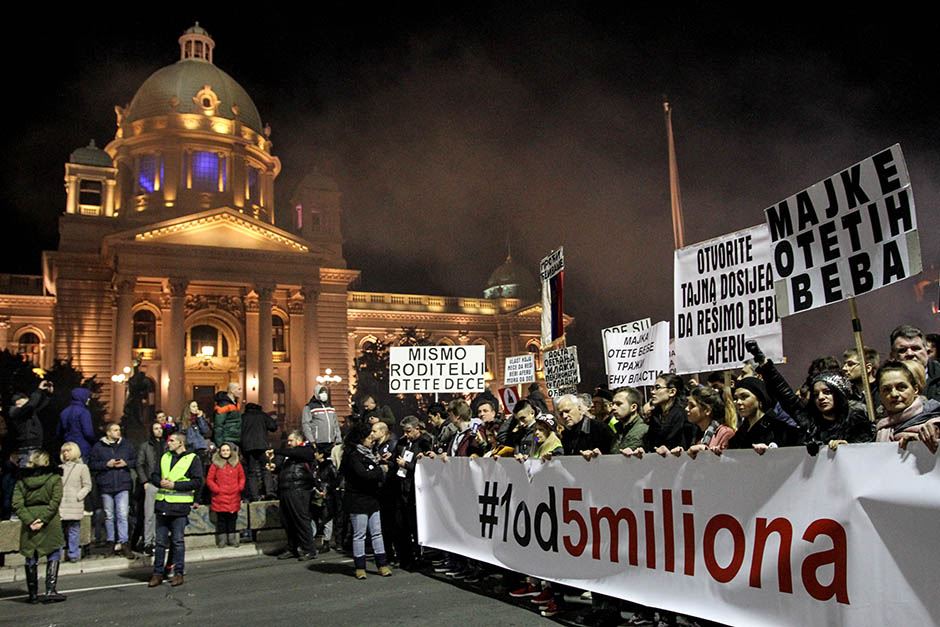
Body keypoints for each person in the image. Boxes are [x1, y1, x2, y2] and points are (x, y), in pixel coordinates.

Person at [750, 341, 875, 450]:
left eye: (827, 392)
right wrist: (763, 363)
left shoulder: (856, 417)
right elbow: (786, 396)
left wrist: (849, 447)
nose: (821, 397)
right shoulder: (811, 421)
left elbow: (868, 452)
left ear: (838, 394)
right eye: (816, 394)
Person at [148, 433, 202, 587]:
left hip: (179, 505)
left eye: (172, 440)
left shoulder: (192, 458)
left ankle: (178, 572)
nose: (168, 442)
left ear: (180, 443)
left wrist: (175, 486)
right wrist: (160, 482)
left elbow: (197, 481)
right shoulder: (165, 457)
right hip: (163, 504)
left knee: (178, 541)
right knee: (159, 542)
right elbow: (155, 475)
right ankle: (157, 573)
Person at [13, 450, 66, 604]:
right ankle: (50, 590)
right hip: (49, 520)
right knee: (54, 552)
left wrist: (30, 521)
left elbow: (17, 503)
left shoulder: (22, 479)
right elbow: (55, 501)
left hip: (29, 517)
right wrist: (43, 519)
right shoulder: (55, 478)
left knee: (31, 554)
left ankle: (33, 594)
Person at [342, 421, 391, 579]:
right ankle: (360, 567)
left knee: (377, 533)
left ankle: (382, 564)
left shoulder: (369, 453)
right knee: (360, 534)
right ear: (360, 438)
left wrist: (376, 468)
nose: (372, 439)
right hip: (358, 499)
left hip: (371, 497)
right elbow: (364, 475)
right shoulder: (353, 455)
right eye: (369, 437)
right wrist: (379, 470)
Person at [266, 430, 318, 561]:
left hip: (299, 489)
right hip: (285, 489)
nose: (288, 444)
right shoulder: (288, 456)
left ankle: (309, 549)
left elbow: (296, 453)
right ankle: (292, 547)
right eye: (288, 441)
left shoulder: (306, 450)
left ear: (299, 440)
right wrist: (275, 468)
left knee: (301, 519)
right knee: (287, 520)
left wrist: (276, 451)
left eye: (291, 441)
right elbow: (286, 467)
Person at [88, 422, 136, 557]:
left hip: (122, 484)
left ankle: (124, 542)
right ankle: (111, 542)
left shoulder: (126, 445)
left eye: (119, 430)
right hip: (106, 484)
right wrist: (106, 464)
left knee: (122, 514)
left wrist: (126, 463)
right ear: (108, 432)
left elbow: (135, 460)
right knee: (109, 515)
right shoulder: (98, 447)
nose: (118, 432)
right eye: (115, 430)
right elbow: (92, 464)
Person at [393, 416, 433, 570]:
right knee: (403, 524)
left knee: (416, 525)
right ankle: (406, 556)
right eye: (404, 431)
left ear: (417, 429)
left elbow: (427, 467)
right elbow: (396, 459)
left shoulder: (424, 442)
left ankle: (420, 556)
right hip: (402, 487)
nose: (406, 434)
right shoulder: (402, 443)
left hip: (416, 489)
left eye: (409, 431)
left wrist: (407, 465)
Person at [875, 360, 940, 451]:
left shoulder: (934, 422)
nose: (894, 394)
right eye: (886, 389)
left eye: (901, 387)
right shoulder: (877, 428)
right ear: (880, 395)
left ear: (915, 389)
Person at [206, 442, 245, 547]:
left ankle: (232, 539)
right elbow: (209, 479)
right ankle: (222, 539)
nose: (225, 452)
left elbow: (242, 477)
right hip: (220, 497)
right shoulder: (215, 464)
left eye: (227, 450)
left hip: (234, 496)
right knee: (221, 520)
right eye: (223, 450)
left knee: (232, 519)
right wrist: (216, 489)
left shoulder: (236, 464)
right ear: (219, 452)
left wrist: (239, 487)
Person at [680, 386, 736, 458]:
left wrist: (706, 451)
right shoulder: (694, 433)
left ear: (707, 410)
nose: (686, 409)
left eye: (692, 406)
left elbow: (729, 463)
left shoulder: (725, 433)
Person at [59, 442, 92, 563]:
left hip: (74, 503)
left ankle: (73, 554)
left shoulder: (82, 468)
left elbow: (87, 485)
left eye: (68, 450)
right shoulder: (59, 468)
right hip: (61, 503)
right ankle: (59, 554)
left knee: (74, 529)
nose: (65, 453)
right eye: (64, 451)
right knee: (60, 530)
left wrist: (79, 496)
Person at [889, 324, 940, 402]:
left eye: (916, 348)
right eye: (902, 350)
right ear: (892, 356)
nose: (910, 354)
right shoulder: (885, 382)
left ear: (927, 351)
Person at [555, 394, 613, 460]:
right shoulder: (565, 435)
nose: (564, 416)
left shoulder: (600, 429)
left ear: (579, 409)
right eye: (561, 414)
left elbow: (614, 456)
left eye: (567, 411)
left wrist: (599, 456)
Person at [9, 380, 54, 466]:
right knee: (26, 469)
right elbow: (32, 405)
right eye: (25, 403)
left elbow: (40, 406)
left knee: (36, 468)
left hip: (35, 444)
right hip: (26, 446)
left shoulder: (27, 412)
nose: (28, 405)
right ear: (17, 403)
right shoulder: (16, 412)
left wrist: (48, 395)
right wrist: (39, 390)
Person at [135, 421, 164, 554]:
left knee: (162, 515)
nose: (158, 430)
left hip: (164, 484)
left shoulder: (166, 445)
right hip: (151, 483)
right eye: (156, 428)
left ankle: (160, 541)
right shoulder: (145, 446)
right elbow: (139, 464)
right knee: (149, 515)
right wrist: (145, 481)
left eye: (160, 428)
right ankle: (148, 543)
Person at [240, 402, 277, 501]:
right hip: (262, 445)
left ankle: (254, 495)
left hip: (248, 447)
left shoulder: (243, 417)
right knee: (266, 469)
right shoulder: (262, 415)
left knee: (251, 472)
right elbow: (273, 427)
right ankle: (270, 492)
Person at [57, 387, 96, 462]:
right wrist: (94, 442)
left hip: (67, 446)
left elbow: (59, 432)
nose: (89, 399)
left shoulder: (64, 412)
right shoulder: (84, 412)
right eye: (87, 397)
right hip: (82, 447)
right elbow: (88, 433)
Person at [301, 385, 342, 454]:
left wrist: (338, 438)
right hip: (318, 442)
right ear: (317, 393)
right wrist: (311, 440)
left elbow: (335, 424)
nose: (324, 394)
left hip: (332, 442)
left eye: (325, 392)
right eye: (321, 392)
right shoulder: (309, 407)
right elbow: (306, 424)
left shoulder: (330, 407)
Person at [610, 387, 648, 454]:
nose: (613, 407)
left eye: (618, 404)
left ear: (633, 407)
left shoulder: (645, 430)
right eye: (612, 404)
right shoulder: (619, 431)